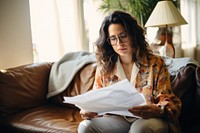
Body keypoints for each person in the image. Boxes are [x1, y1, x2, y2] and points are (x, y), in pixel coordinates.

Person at [78, 10, 182, 133]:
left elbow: (169, 101)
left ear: (133, 35)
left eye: (123, 36)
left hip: (149, 119)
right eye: (113, 39)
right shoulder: (105, 67)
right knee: (85, 126)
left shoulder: (155, 63)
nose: (119, 43)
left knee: (139, 129)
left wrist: (158, 110)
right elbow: (97, 98)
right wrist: (87, 110)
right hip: (119, 119)